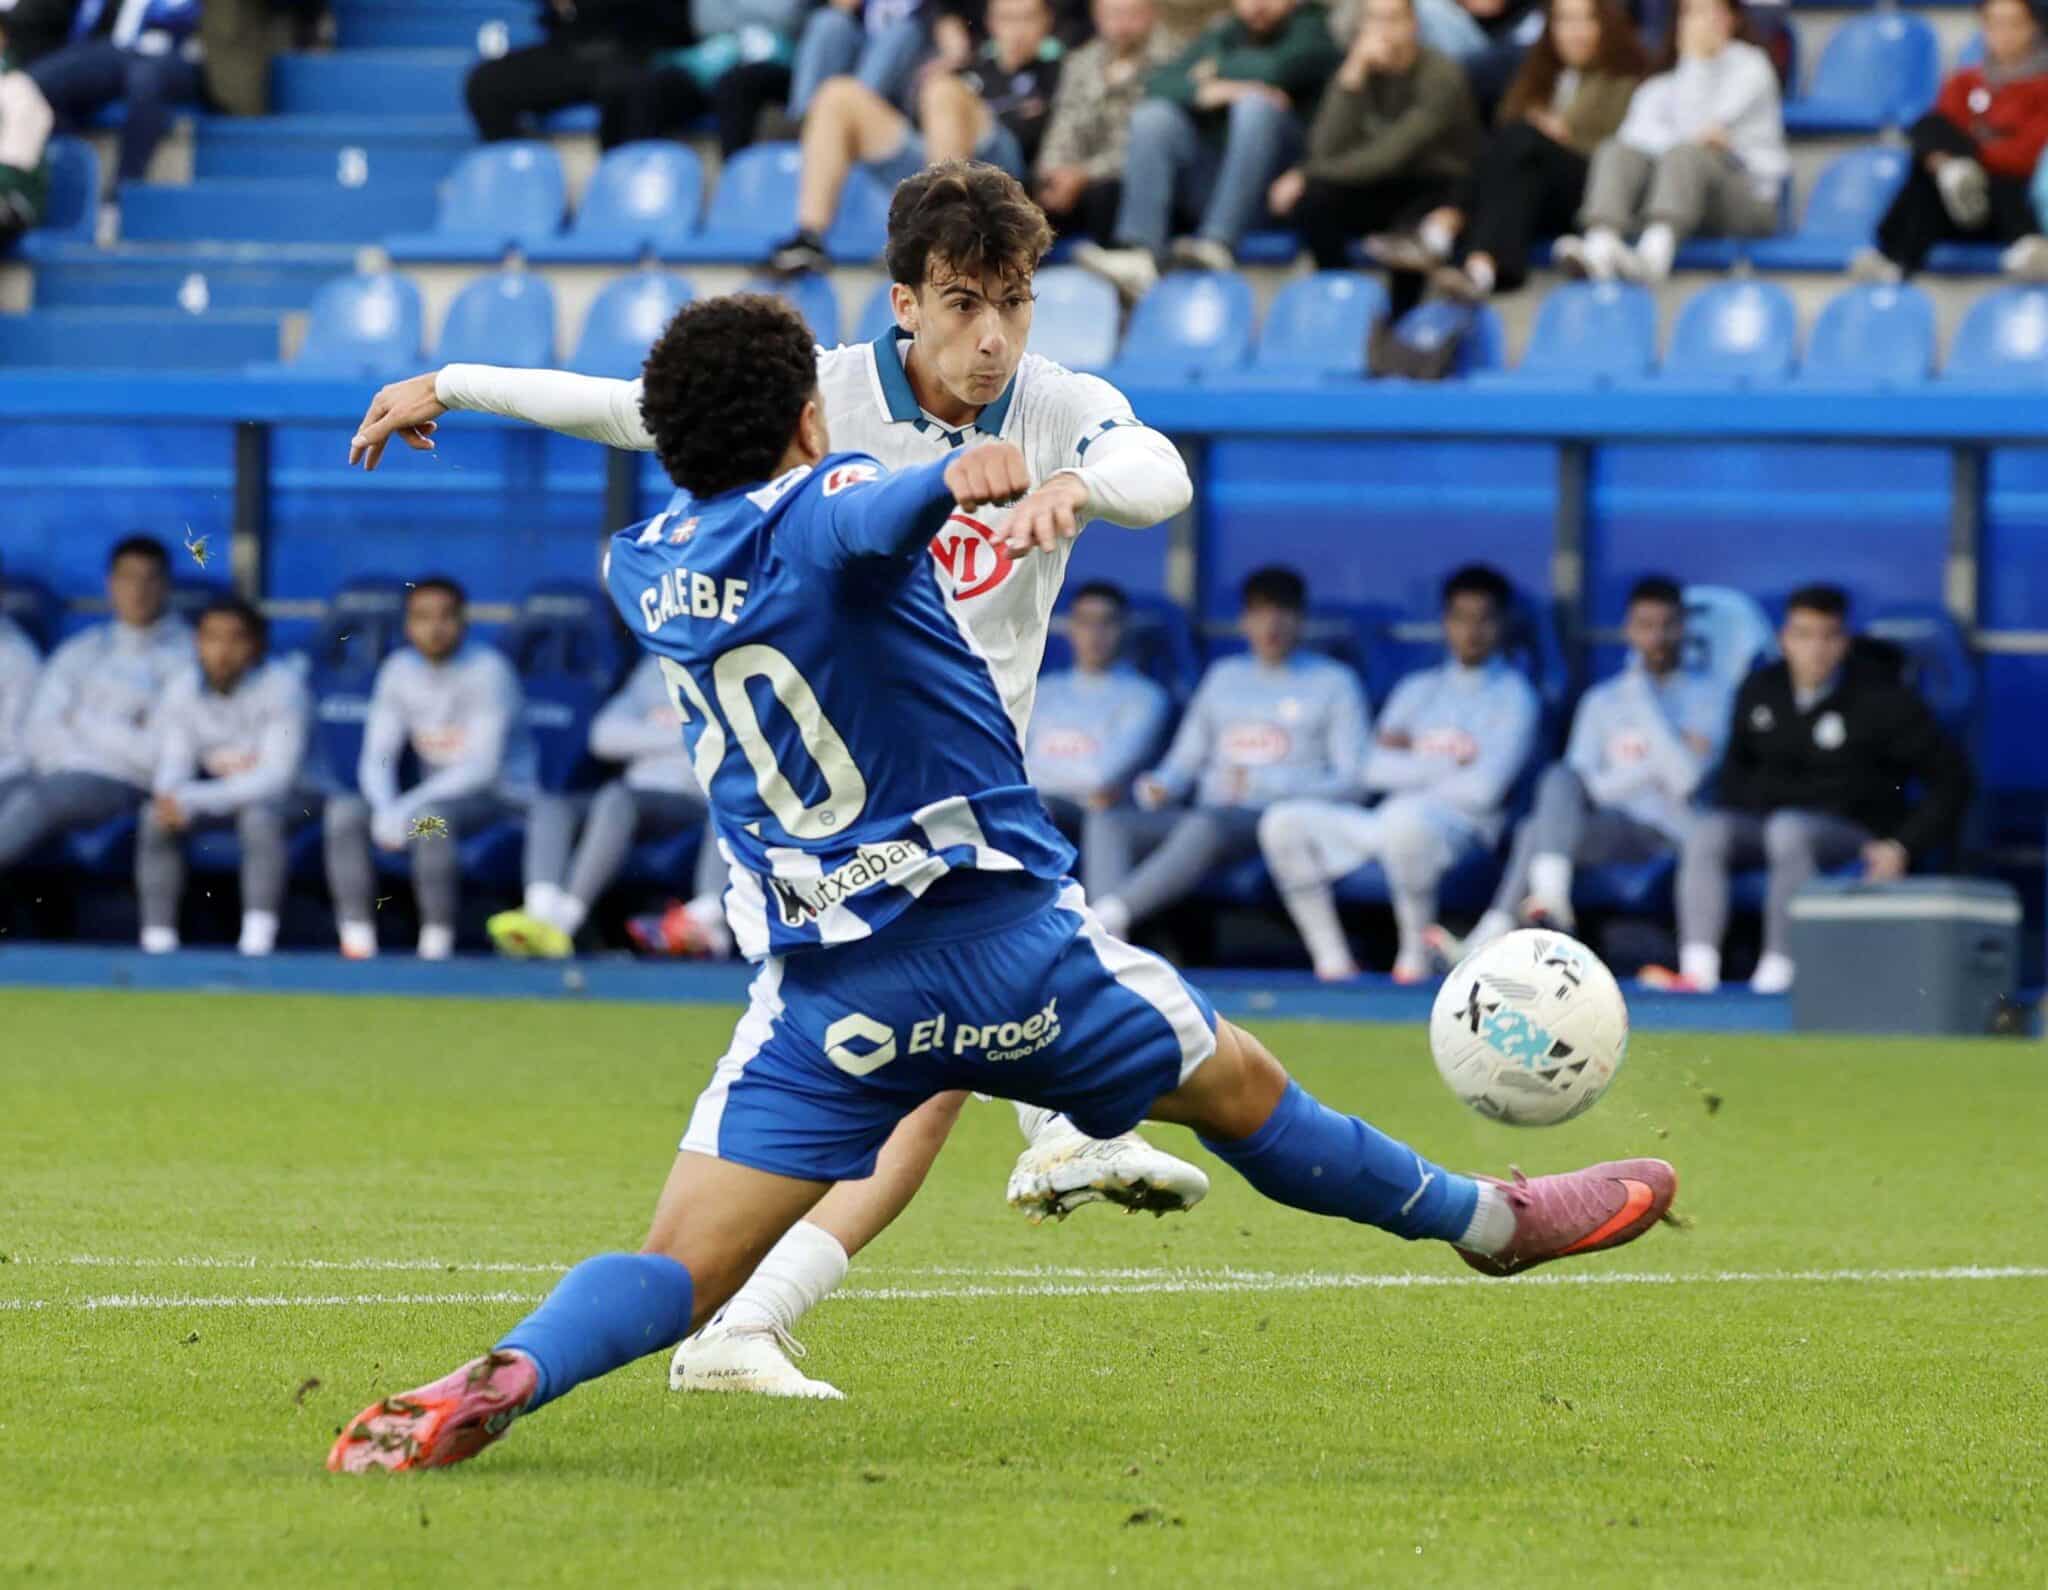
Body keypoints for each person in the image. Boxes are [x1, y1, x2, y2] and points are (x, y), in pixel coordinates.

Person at [325, 294, 1678, 1474]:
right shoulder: (842, 503)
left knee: (674, 1268)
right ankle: (1490, 1222)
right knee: (1247, 1093)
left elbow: (652, 424)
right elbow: (871, 506)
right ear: (807, 420)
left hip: (833, 1001)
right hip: (1015, 955)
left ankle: (503, 1373)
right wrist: (975, 473)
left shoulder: (644, 567)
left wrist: (450, 381)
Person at [345, 160, 1209, 1399]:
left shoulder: (1058, 405)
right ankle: (1048, 1141)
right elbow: (620, 408)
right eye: (964, 301)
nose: (993, 334)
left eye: (1015, 300)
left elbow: (1158, 471)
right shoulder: (820, 399)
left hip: (973, 809)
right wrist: (451, 381)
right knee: (935, 1053)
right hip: (854, 819)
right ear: (904, 300)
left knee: (936, 1063)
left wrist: (1075, 485)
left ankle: (778, 1301)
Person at [1644, 584, 1972, 996]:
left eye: (1828, 636)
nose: (1815, 649)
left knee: (1790, 829)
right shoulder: (1760, 689)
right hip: (1764, 827)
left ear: (1844, 641)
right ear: (1785, 639)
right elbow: (1734, 775)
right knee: (1710, 832)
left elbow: (1952, 779)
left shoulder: (1883, 698)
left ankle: (1780, 970)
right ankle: (1697, 969)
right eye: (1803, 635)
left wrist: (1902, 846)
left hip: (1850, 834)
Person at [1258, 563, 1537, 983]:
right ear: (1446, 622)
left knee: (1408, 825)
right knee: (1282, 822)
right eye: (1461, 617)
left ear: (1502, 624)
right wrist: (1449, 763)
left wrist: (1409, 757)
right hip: (1386, 821)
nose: (1472, 630)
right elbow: (1372, 769)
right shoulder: (1417, 689)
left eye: (1484, 618)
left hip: (1462, 831)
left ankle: (1413, 959)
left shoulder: (1516, 696)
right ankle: (1332, 961)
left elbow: (1485, 790)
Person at [1432, 575, 1726, 960]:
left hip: (1673, 831)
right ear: (1628, 629)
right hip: (1613, 826)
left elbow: (1687, 783)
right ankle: (1548, 898)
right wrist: (1656, 765)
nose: (1656, 636)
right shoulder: (1602, 700)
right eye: (1645, 625)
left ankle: (1494, 931)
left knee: (1536, 830)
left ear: (1683, 628)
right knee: (1554, 788)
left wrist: (1644, 703)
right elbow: (1581, 787)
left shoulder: (1712, 694)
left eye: (1667, 625)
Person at [1084, 566, 1369, 941]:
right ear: (1245, 621)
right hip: (1207, 813)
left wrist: (1270, 785)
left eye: (1283, 613)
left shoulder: (1334, 682)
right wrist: (1159, 785)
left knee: (1207, 824)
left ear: (1300, 620)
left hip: (1272, 819)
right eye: (1260, 613)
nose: (1272, 625)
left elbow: (1355, 783)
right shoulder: (1224, 676)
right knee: (1110, 822)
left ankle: (1103, 922)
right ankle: (1110, 947)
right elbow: (1185, 760)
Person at [322, 577, 537, 963]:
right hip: (429, 795)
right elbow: (377, 757)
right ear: (407, 625)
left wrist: (402, 809)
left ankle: (435, 944)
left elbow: (482, 769)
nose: (434, 628)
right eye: (422, 617)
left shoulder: (490, 671)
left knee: (429, 819)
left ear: (464, 623)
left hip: (501, 799)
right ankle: (357, 939)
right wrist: (385, 807)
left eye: (445, 617)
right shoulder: (398, 669)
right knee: (345, 812)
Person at [768, 0, 1065, 275]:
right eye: (1007, 19)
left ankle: (937, 235)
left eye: (1027, 19)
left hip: (1006, 175)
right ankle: (809, 237)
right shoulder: (968, 64)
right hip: (939, 164)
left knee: (942, 90)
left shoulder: (1060, 69)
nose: (1017, 31)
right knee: (838, 94)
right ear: (990, 22)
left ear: (1047, 22)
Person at [1072, 0, 1342, 300]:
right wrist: (1212, 89)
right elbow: (1158, 82)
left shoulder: (1313, 30)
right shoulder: (1226, 31)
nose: (1258, 5)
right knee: (1154, 116)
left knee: (1256, 107)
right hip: (1216, 183)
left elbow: (1276, 68)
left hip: (1280, 189)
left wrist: (1215, 72)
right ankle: (1139, 249)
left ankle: (1218, 244)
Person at [486, 653, 731, 958]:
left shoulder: (732, 664)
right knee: (551, 804)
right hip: (638, 796)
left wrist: (645, 736)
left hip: (692, 799)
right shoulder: (655, 665)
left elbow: (731, 741)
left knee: (618, 796)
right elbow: (602, 736)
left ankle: (564, 922)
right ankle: (541, 911)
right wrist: (683, 736)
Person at [1406, 0, 1646, 300]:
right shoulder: (1538, 75)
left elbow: (1625, 151)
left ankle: (1444, 225)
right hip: (1532, 185)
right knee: (1513, 155)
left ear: (1606, 26)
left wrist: (1560, 137)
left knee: (1521, 139)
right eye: (1565, 22)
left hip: (1590, 190)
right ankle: (1480, 267)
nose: (1576, 32)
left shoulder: (1625, 78)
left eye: (1586, 21)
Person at [1265, 0, 1480, 312]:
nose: (1385, 31)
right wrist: (1351, 77)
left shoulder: (1440, 74)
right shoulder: (1359, 71)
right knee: (1313, 201)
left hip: (1437, 186)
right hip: (1379, 186)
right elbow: (1323, 147)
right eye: (1374, 21)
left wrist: (1307, 173)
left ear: (1413, 25)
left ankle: (1400, 324)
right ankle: (1342, 297)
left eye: (1393, 20)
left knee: (1412, 223)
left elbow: (1391, 154)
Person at [1552, 0, 1784, 284]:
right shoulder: (1659, 83)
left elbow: (1695, 133)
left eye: (1711, 12)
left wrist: (1695, 60)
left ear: (1732, 19)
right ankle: (1600, 243)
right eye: (1690, 13)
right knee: (1616, 150)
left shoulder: (1752, 67)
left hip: (1748, 199)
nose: (1701, 23)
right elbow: (1634, 140)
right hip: (1683, 196)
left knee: (1686, 154)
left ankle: (1653, 257)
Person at [0, 536, 190, 877]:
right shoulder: (81, 650)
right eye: (128, 578)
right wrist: (119, 728)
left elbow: (157, 757)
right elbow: (37, 732)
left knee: (41, 798)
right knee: (28, 790)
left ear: (166, 586)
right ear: (111, 584)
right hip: (55, 773)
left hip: (124, 784)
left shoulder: (188, 659)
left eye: (150, 579)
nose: (138, 590)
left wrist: (82, 722)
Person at [136, 595, 310, 958]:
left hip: (297, 800)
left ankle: (257, 942)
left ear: (257, 645)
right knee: (155, 816)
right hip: (220, 797)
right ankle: (157, 941)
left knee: (260, 816)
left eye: (236, 639)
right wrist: (170, 797)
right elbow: (173, 763)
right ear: (198, 643)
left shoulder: (284, 687)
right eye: (212, 638)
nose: (223, 651)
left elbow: (276, 778)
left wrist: (191, 797)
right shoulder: (182, 688)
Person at [1852, 0, 2048, 284]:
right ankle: (1893, 259)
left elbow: (2028, 154)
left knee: (1998, 177)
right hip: (1958, 203)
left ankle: (2028, 244)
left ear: (2035, 27)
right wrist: (1947, 166)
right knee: (1928, 137)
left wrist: (1968, 161)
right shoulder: (1964, 81)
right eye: (1993, 23)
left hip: (2013, 200)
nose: (2002, 33)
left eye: (2013, 23)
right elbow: (1935, 131)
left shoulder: (2043, 86)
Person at [1026, 580, 1171, 840]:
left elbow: (1101, 776)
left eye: (1107, 622)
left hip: (1096, 822)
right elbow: (1006, 767)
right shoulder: (1041, 690)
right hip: (1037, 806)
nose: (1096, 633)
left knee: (1031, 809)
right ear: (1070, 628)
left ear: (1124, 628)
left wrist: (1033, 773)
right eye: (1085, 622)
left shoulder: (1146, 696)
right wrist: (1082, 785)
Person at [462, 0, 694, 148]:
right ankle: (522, 181)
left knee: (627, 89)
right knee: (486, 84)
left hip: (637, 47)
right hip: (572, 48)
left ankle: (620, 191)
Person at [1032, 0, 1171, 245]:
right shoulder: (1080, 62)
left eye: (1132, 14)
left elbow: (1148, 147)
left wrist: (1084, 174)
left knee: (1106, 193)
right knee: (1029, 194)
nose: (1123, 25)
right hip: (1075, 179)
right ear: (1097, 15)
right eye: (1114, 14)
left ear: (1152, 13)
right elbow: (1063, 123)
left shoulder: (1170, 61)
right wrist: (1054, 171)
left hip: (1130, 182)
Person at [27, 0, 201, 185]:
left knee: (145, 79)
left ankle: (125, 188)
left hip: (174, 57)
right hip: (114, 50)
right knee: (32, 83)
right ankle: (66, 172)